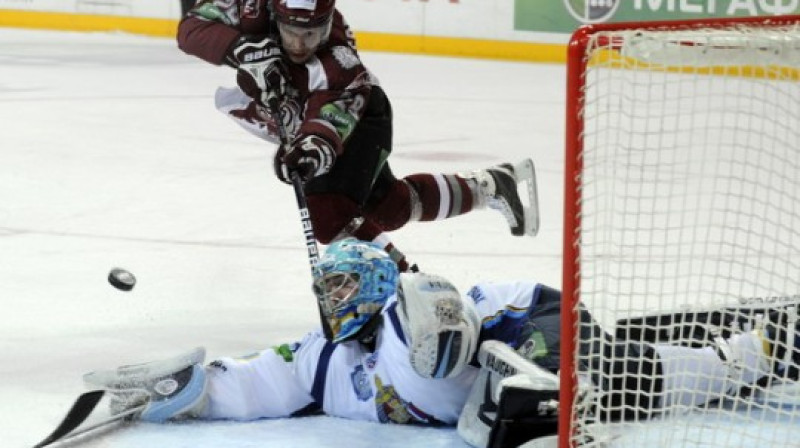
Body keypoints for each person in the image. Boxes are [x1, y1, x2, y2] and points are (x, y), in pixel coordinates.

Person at [83, 239, 800, 447]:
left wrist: (538, 359)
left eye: (339, 289)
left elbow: (451, 326)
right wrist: (189, 390)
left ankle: (754, 354)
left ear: (370, 285)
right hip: (505, 381)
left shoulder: (408, 304)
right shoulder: (325, 358)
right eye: (323, 292)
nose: (328, 304)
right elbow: (258, 382)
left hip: (536, 324)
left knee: (608, 374)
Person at [175, 0, 539, 271]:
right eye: (291, 33)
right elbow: (190, 29)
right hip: (307, 122)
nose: (300, 45)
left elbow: (331, 117)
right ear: (276, 15)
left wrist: (311, 149)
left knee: (330, 216)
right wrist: (239, 48)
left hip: (360, 121)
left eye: (310, 34)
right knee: (389, 206)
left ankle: (408, 286)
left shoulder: (338, 58)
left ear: (327, 22)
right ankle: (489, 186)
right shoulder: (250, 6)